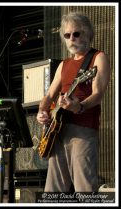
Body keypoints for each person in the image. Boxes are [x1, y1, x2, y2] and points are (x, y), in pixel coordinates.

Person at [36, 12, 111, 192]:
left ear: (87, 33)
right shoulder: (64, 64)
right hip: (57, 131)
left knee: (84, 188)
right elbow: (49, 96)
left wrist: (80, 106)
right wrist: (42, 111)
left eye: (76, 34)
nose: (71, 39)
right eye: (67, 35)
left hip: (83, 131)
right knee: (53, 191)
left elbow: (98, 93)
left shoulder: (98, 57)